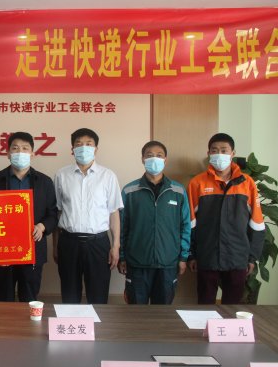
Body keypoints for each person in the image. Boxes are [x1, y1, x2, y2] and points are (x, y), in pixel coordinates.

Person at [187, 133, 265, 304]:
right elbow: (190, 223)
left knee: (232, 308)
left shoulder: (247, 183)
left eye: (224, 150)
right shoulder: (197, 183)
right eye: (214, 150)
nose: (219, 154)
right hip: (207, 256)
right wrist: (191, 254)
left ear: (232, 153)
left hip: (237, 257)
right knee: (205, 306)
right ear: (208, 153)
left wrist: (252, 257)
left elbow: (257, 224)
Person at [0, 132, 58, 302]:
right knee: (4, 299)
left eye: (25, 149)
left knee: (29, 298)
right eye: (15, 148)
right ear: (8, 153)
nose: (20, 152)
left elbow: (53, 215)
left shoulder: (45, 182)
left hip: (33, 250)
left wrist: (42, 226)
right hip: (2, 250)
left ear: (33, 154)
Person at [53, 128, 123, 304]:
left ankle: (97, 323)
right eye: (78, 144)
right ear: (72, 149)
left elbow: (114, 213)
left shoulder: (108, 176)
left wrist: (115, 246)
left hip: (98, 243)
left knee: (98, 296)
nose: (83, 148)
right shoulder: (61, 175)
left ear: (96, 149)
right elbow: (57, 212)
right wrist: (55, 246)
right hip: (68, 242)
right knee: (69, 296)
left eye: (88, 144)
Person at [118, 141, 191, 304]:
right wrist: (122, 256)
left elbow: (185, 225)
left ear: (165, 159)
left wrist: (183, 257)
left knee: (163, 312)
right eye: (149, 155)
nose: (154, 159)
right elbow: (122, 226)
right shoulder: (129, 191)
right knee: (136, 311)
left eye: (159, 155)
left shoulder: (178, 191)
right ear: (142, 159)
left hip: (168, 263)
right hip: (137, 262)